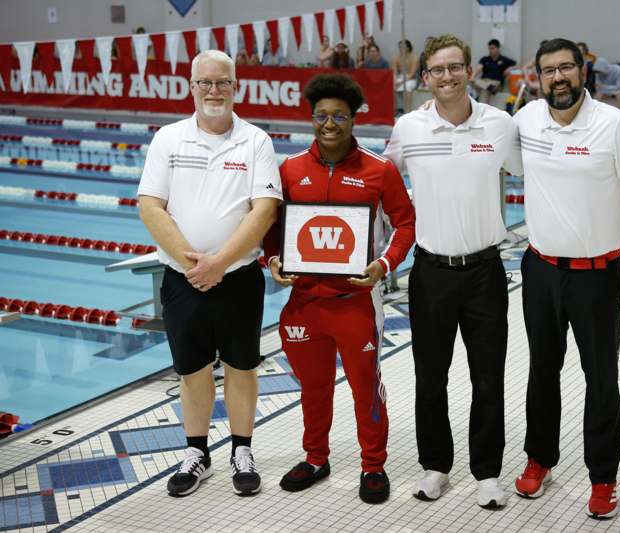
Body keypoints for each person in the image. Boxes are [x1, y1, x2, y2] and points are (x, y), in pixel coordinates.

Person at [512, 38, 620, 520]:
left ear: (583, 71)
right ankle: (540, 459)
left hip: (598, 276)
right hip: (541, 270)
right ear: (537, 77)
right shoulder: (526, 120)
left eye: (566, 68)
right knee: (541, 370)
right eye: (548, 70)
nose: (558, 77)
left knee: (600, 378)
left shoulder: (614, 125)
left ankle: (603, 479)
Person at [382, 33, 523, 509]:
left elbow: (534, 173)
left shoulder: (499, 125)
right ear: (426, 78)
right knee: (430, 375)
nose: (447, 76)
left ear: (469, 71)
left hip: (485, 270)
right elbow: (379, 185)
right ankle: (435, 467)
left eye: (454, 67)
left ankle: (487, 472)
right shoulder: (409, 128)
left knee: (488, 377)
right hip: (431, 273)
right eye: (437, 70)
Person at [137, 50, 283, 498]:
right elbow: (150, 206)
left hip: (237, 278)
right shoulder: (168, 138)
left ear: (235, 86)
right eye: (206, 82)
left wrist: (218, 263)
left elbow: (265, 209)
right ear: (192, 85)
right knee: (192, 370)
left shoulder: (255, 140)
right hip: (182, 280)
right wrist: (193, 264)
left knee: (242, 367)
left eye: (223, 82)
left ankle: (242, 450)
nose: (214, 91)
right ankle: (196, 452)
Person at [266, 74, 415, 504]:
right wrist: (272, 261)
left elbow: (405, 222)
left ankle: (373, 464)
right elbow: (271, 229)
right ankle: (316, 458)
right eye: (321, 115)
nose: (329, 124)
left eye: (339, 116)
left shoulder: (378, 169)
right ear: (312, 118)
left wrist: (384, 264)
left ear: (353, 118)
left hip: (355, 302)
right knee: (312, 387)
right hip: (304, 303)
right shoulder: (291, 169)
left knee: (365, 385)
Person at [472, 38, 517, 103]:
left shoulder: (504, 60)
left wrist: (510, 69)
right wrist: (473, 76)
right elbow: (478, 68)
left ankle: (481, 109)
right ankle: (489, 87)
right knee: (474, 81)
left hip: (496, 83)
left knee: (485, 91)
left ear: (498, 49)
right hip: (484, 81)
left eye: (492, 48)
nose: (490, 50)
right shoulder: (485, 59)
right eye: (489, 48)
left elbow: (518, 65)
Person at [392, 39, 419, 114]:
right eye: (400, 47)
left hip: (411, 79)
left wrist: (400, 82)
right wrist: (395, 81)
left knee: (407, 87)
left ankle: (408, 111)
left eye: (403, 47)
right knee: (391, 86)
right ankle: (395, 109)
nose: (401, 48)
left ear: (408, 47)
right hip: (399, 77)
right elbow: (394, 72)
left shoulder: (414, 58)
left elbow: (411, 74)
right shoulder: (396, 58)